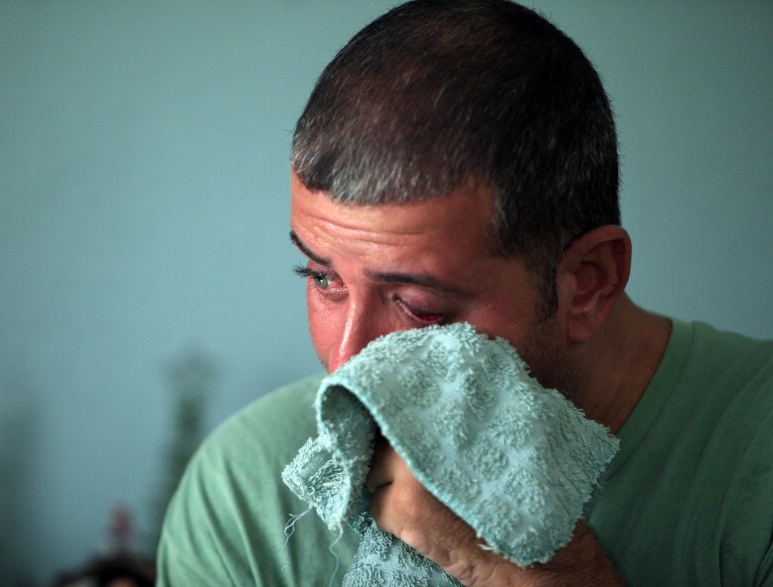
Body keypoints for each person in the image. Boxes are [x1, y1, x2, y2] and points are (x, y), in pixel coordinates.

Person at [157, 1, 773, 585]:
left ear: (588, 283)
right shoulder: (245, 491)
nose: (346, 363)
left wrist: (540, 573)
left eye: (419, 306)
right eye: (324, 279)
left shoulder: (754, 455)